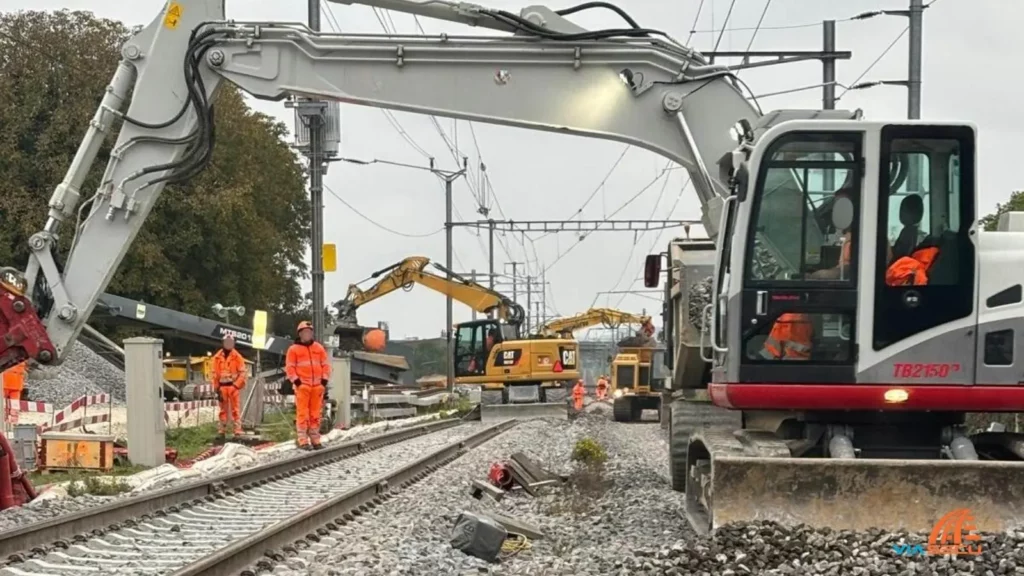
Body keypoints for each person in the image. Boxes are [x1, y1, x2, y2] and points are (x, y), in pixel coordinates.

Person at [286, 321, 332, 450]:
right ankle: (303, 441)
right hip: (303, 387)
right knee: (302, 414)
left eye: (309, 332)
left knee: (315, 414)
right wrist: (297, 382)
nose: (308, 334)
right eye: (305, 332)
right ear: (300, 334)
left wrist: (324, 381)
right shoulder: (293, 349)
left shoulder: (319, 348)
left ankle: (315, 440)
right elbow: (290, 368)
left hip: (317, 387)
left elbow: (326, 366)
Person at [211, 334, 247, 438]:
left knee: (235, 409)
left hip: (233, 387)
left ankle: (237, 430)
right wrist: (216, 388)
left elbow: (242, 373)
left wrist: (236, 386)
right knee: (222, 410)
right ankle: (222, 430)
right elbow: (214, 374)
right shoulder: (216, 358)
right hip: (222, 387)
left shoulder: (237, 357)